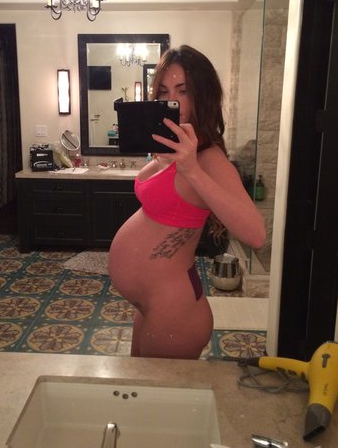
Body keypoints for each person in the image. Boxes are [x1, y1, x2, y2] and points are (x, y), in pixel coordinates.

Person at [108, 44, 266, 360]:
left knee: (153, 391)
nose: (174, 101)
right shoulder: (175, 149)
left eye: (183, 91)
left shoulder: (208, 158)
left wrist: (192, 170)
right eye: (164, 91)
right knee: (139, 384)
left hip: (175, 311)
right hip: (153, 303)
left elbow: (256, 234)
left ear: (202, 95)